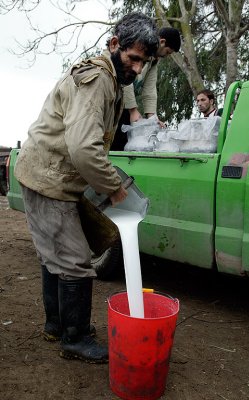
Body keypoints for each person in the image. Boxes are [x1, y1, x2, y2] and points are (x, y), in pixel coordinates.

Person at [14, 12, 159, 364]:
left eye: (144, 62)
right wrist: (114, 188)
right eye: (133, 58)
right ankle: (74, 339)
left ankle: (56, 324)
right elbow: (83, 148)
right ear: (114, 45)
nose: (138, 69)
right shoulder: (98, 81)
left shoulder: (114, 79)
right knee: (78, 262)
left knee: (55, 256)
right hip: (50, 178)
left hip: (49, 174)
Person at [111, 27, 181, 150]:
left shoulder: (153, 61)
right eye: (168, 52)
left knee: (126, 141)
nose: (166, 55)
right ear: (162, 42)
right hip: (112, 103)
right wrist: (133, 110)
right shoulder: (136, 50)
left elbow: (149, 90)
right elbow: (125, 78)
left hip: (124, 105)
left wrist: (152, 118)